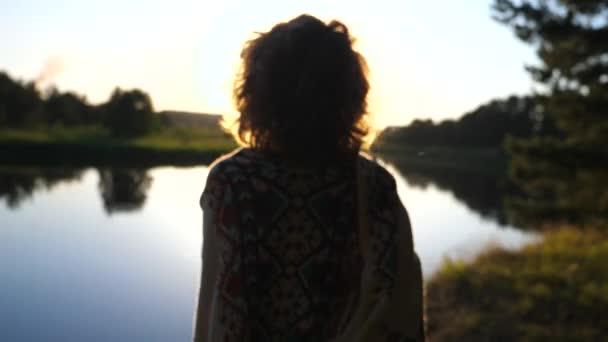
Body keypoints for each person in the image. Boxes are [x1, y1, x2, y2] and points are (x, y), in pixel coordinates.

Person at [193, 14, 424, 342]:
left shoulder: (231, 181)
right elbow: (402, 313)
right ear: (350, 94)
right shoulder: (375, 186)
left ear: (256, 93)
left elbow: (210, 307)